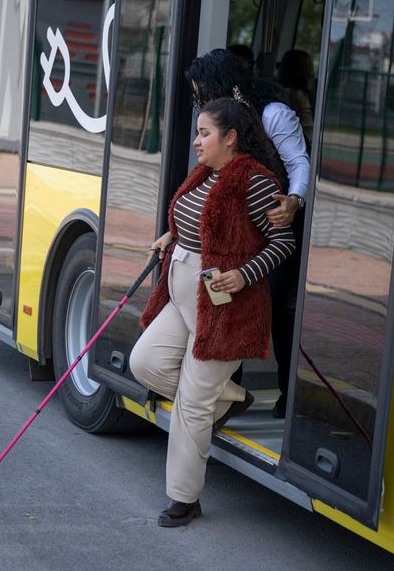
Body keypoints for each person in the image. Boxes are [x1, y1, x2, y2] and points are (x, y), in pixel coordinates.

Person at [129, 95, 296, 527]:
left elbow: (284, 243)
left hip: (224, 309)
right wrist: (172, 236)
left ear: (231, 137)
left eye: (204, 133)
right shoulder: (207, 172)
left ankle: (184, 499)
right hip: (184, 296)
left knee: (191, 403)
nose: (196, 142)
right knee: (143, 362)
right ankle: (232, 397)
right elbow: (196, 221)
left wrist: (244, 274)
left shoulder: (256, 182)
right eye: (198, 133)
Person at [185, 48, 310, 419]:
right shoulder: (220, 124)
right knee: (228, 299)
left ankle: (289, 397)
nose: (201, 102)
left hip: (276, 219)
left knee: (275, 306)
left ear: (224, 85)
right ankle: (229, 395)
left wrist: (294, 200)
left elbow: (299, 163)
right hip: (236, 223)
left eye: (204, 92)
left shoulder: (273, 114)